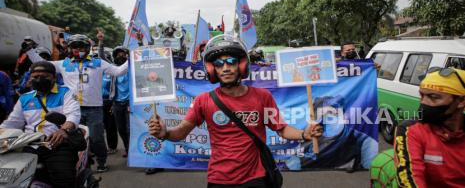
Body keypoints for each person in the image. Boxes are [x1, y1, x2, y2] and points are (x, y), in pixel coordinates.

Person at [149, 35, 323, 187]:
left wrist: (303, 134)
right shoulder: (203, 101)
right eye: (218, 63)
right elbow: (181, 132)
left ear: (241, 65)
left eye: (231, 61)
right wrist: (165, 133)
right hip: (219, 178)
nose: (225, 68)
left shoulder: (263, 97)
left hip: (256, 177)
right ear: (212, 70)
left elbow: (282, 129)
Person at [24, 33, 128, 173]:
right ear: (70, 49)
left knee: (96, 138)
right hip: (72, 109)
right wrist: (29, 50)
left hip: (94, 109)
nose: (78, 49)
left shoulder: (98, 63)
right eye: (74, 47)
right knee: (72, 140)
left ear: (88, 48)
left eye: (81, 46)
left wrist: (133, 57)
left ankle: (101, 162)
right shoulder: (63, 64)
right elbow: (42, 64)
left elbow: (119, 71)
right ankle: (77, 164)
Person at [0, 61, 81, 187]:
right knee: (10, 178)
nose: (39, 79)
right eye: (35, 77)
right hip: (28, 145)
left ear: (54, 77)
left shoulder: (65, 93)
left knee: (64, 180)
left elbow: (73, 115)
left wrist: (63, 130)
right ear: (30, 78)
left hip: (57, 145)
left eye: (44, 77)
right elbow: (12, 123)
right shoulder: (25, 98)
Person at [394, 67, 465, 187]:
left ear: (461, 101)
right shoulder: (410, 129)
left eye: (434, 97)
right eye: (422, 96)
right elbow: (410, 180)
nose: (424, 103)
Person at [285, 95, 377, 171]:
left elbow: (371, 167)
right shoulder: (313, 135)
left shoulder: (363, 140)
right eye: (329, 112)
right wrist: (296, 162)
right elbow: (292, 162)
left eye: (337, 112)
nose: (333, 116)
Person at [111, 46, 131, 158]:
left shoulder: (131, 69)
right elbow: (103, 58)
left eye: (123, 54)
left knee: (129, 129)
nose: (121, 56)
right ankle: (127, 148)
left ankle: (132, 151)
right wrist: (101, 43)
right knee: (121, 129)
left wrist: (139, 42)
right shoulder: (113, 70)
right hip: (117, 104)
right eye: (118, 54)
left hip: (129, 103)